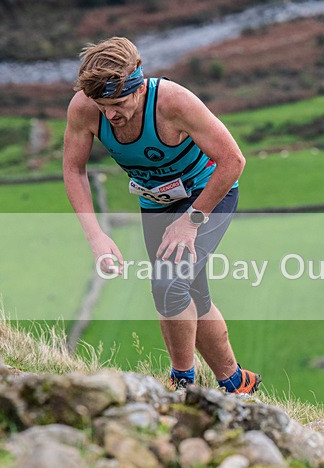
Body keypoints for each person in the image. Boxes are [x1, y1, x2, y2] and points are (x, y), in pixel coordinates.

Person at [63, 36, 260, 394]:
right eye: (102, 105)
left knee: (168, 286)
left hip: (208, 195)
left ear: (139, 88)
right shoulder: (84, 107)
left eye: (119, 103)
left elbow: (234, 161)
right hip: (155, 204)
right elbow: (74, 170)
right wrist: (97, 236)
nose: (110, 115)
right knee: (191, 295)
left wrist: (190, 222)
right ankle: (236, 382)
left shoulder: (174, 102)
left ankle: (181, 386)